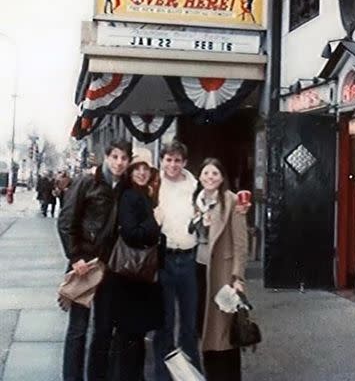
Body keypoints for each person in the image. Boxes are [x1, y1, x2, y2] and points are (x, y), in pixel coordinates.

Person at [57, 139, 131, 381]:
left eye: (124, 158)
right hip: (85, 265)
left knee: (103, 329)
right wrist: (76, 256)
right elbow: (66, 221)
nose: (119, 162)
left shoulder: (125, 187)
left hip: (110, 266)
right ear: (107, 157)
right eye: (115, 157)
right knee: (78, 329)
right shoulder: (87, 182)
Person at [89, 147, 163, 381]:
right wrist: (156, 224)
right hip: (128, 275)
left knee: (132, 334)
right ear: (130, 171)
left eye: (146, 169)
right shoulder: (131, 196)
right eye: (137, 168)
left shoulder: (145, 195)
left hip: (137, 275)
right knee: (126, 333)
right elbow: (132, 233)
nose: (142, 173)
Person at [191, 158, 248, 381]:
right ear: (200, 176)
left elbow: (241, 243)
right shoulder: (197, 201)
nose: (210, 177)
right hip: (199, 271)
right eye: (206, 173)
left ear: (222, 177)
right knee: (205, 331)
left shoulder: (232, 201)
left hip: (223, 274)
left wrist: (238, 276)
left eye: (215, 173)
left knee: (226, 333)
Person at [153, 140, 202, 381]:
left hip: (188, 259)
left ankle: (190, 376)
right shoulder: (154, 185)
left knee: (189, 325)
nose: (173, 164)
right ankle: (162, 377)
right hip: (164, 259)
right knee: (164, 324)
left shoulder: (195, 186)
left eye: (177, 160)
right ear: (162, 161)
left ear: (184, 162)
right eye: (169, 159)